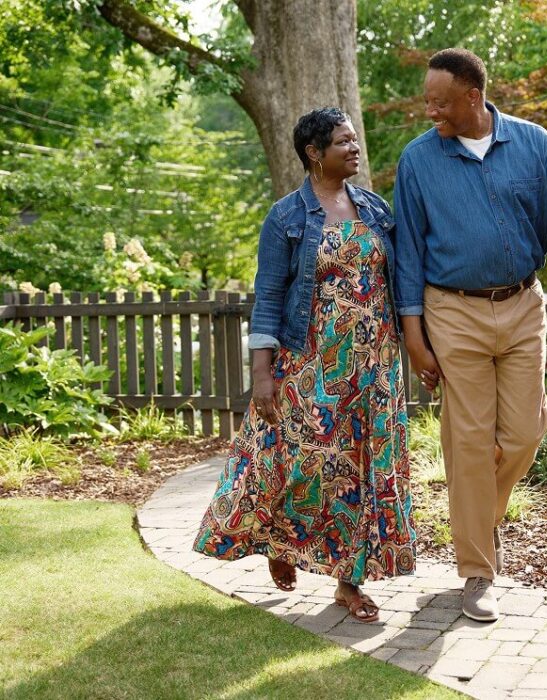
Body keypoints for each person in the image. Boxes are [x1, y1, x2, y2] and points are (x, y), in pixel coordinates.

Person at [194, 107, 416, 623]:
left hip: (374, 367)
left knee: (361, 470)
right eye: (343, 142)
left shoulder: (376, 210)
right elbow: (269, 297)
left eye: (355, 140)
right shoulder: (287, 217)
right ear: (314, 153)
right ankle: (280, 540)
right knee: (297, 463)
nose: (355, 149)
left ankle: (349, 582)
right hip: (309, 364)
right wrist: (262, 375)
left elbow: (399, 284)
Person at [394, 48, 547, 622]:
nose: (432, 112)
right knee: (470, 443)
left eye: (441, 102)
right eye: (427, 100)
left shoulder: (534, 144)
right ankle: (477, 572)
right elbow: (408, 254)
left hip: (524, 304)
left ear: (473, 96)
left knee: (527, 433)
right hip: (451, 310)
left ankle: (482, 513)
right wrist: (415, 338)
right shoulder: (418, 161)